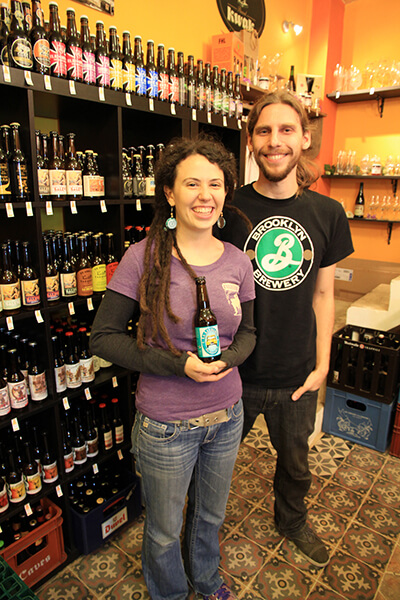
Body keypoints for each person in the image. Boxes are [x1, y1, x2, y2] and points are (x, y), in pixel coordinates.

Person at [90, 136, 256, 600]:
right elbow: (102, 337)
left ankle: (205, 579)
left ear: (225, 193)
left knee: (210, 516)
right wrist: (177, 365)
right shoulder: (143, 257)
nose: (205, 195)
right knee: (163, 529)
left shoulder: (238, 262)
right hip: (166, 424)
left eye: (216, 184)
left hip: (227, 416)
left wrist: (229, 359)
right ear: (169, 192)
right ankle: (170, 593)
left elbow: (249, 334)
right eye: (192, 184)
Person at [216, 90, 354, 568]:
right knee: (213, 466)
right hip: (232, 371)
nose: (275, 141)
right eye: (264, 130)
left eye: (286, 129)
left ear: (305, 138)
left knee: (296, 466)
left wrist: (322, 365)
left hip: (296, 373)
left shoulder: (328, 214)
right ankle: (202, 530)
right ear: (251, 141)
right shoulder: (225, 209)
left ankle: (291, 521)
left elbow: (323, 295)